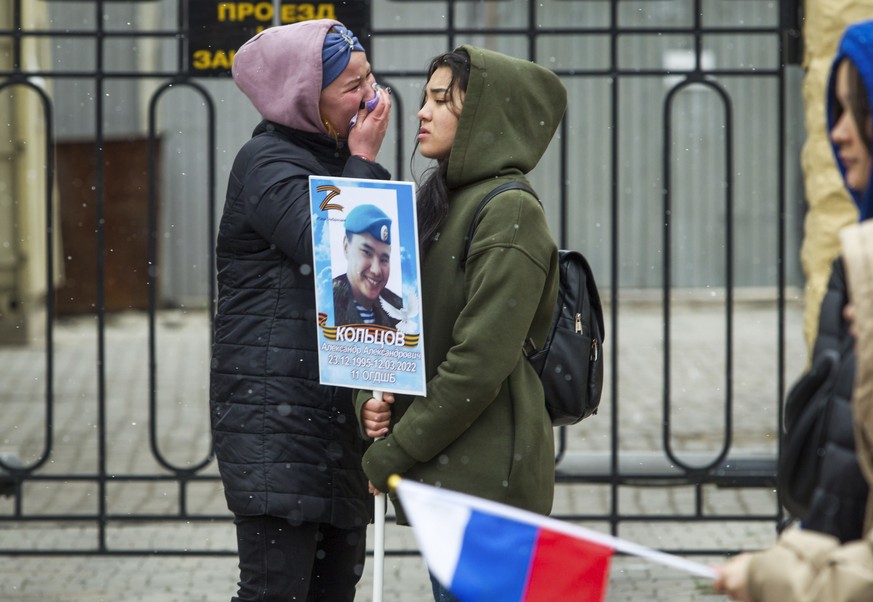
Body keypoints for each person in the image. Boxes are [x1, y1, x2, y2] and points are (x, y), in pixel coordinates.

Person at [356, 46, 567, 602]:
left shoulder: (509, 211)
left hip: (487, 484)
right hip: (449, 474)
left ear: (484, 118)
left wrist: (394, 452)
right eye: (425, 99)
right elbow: (393, 328)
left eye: (441, 101)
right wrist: (371, 401)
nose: (422, 112)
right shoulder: (444, 201)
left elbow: (479, 362)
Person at [209, 19, 392, 602]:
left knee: (333, 588)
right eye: (350, 86)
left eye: (369, 77)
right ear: (303, 101)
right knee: (274, 592)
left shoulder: (332, 157)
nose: (370, 97)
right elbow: (340, 254)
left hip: (332, 423)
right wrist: (362, 159)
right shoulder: (266, 162)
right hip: (276, 426)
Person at [714, 18, 873, 600]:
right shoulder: (855, 257)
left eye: (856, 110)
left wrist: (770, 576)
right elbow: (843, 488)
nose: (839, 134)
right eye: (833, 111)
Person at [333, 203, 403, 327]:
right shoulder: (326, 299)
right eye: (366, 252)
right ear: (346, 247)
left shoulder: (399, 308)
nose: (376, 270)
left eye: (384, 259)